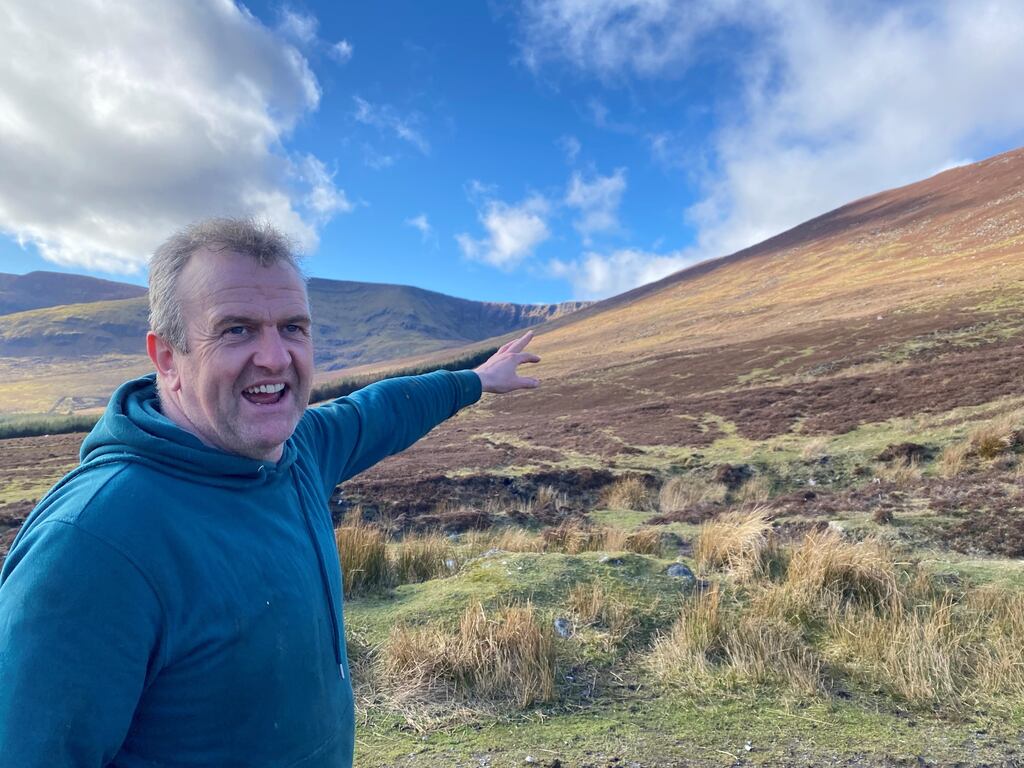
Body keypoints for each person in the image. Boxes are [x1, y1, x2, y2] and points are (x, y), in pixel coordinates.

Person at [0, 218, 540, 767]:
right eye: (237, 329)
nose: (276, 358)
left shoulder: (298, 450)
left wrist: (476, 380)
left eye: (293, 328)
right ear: (167, 357)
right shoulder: (93, 543)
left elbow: (381, 410)